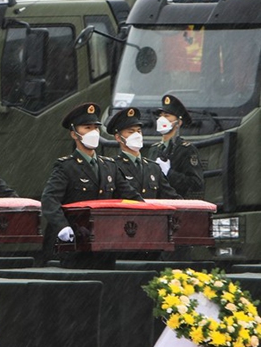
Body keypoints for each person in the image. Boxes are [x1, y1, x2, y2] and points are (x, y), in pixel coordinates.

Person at [40, 103, 142, 267]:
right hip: (73, 244)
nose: (93, 132)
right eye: (87, 128)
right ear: (74, 134)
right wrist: (62, 227)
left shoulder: (109, 166)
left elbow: (131, 197)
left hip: (104, 243)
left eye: (95, 128)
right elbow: (50, 200)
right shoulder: (66, 166)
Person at [107, 107, 179, 199]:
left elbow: (171, 196)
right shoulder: (112, 166)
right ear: (118, 137)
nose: (136, 135)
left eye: (138, 131)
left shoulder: (153, 167)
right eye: (131, 132)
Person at [147, 94, 204, 199]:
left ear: (178, 122)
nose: (162, 119)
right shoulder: (154, 149)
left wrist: (169, 173)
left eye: (167, 116)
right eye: (161, 115)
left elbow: (196, 184)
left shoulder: (186, 150)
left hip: (177, 205)